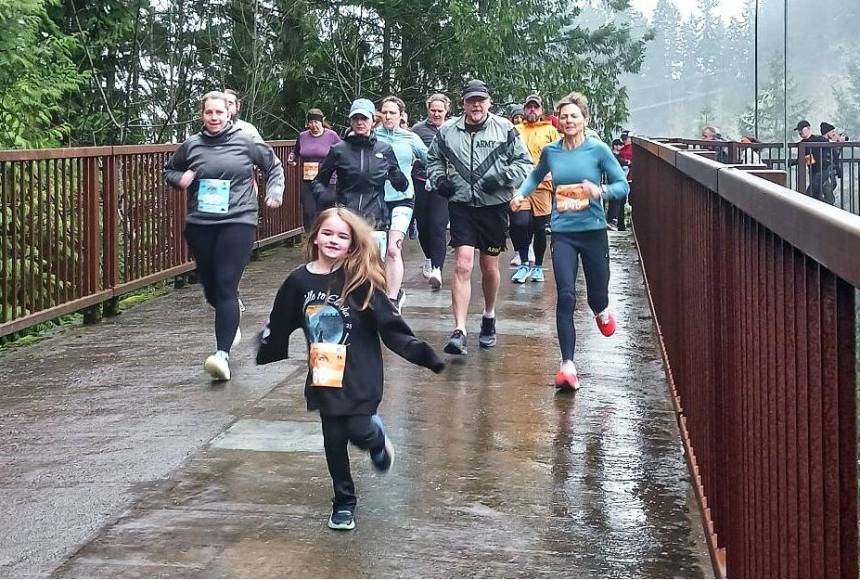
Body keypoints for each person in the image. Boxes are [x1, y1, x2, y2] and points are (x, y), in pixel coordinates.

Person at [256, 207, 444, 531]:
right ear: (314, 236)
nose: (333, 240)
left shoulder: (359, 280)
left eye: (342, 236)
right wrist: (268, 341)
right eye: (327, 233)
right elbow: (282, 318)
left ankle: (376, 439)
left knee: (358, 430)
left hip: (361, 373)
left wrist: (422, 354)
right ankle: (344, 502)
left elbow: (390, 325)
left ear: (352, 244)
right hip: (324, 374)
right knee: (333, 441)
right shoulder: (298, 280)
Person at [510, 91, 629, 391]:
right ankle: (567, 365)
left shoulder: (598, 150)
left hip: (593, 232)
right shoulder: (552, 151)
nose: (569, 120)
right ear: (558, 122)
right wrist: (521, 194)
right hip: (563, 232)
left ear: (585, 120)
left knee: (595, 296)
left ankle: (601, 309)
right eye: (564, 116)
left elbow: (622, 186)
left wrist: (599, 192)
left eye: (574, 116)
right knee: (565, 295)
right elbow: (535, 176)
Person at [164, 90, 285, 381]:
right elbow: (169, 169)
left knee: (227, 284)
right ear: (202, 115)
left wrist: (275, 192)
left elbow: (274, 166)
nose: (215, 118)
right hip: (201, 222)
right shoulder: (191, 145)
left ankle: (222, 355)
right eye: (209, 113)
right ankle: (229, 321)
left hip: (238, 219)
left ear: (229, 113)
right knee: (211, 286)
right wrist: (180, 179)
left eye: (220, 112)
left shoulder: (246, 141)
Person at [426, 79, 533, 355]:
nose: (476, 105)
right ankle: (459, 330)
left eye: (480, 100)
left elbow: (524, 162)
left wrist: (501, 179)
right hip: (461, 205)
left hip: (493, 206)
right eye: (470, 100)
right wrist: (440, 181)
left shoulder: (505, 128)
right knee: (462, 264)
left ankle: (488, 315)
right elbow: (433, 159)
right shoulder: (448, 131)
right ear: (462, 103)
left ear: (488, 102)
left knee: (489, 267)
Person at [311, 98, 409, 262]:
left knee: (373, 270)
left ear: (373, 120)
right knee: (346, 268)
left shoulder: (384, 150)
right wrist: (325, 197)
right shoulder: (339, 150)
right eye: (355, 118)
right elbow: (318, 182)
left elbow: (402, 185)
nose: (359, 122)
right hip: (346, 218)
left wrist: (396, 176)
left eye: (364, 118)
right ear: (350, 121)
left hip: (375, 219)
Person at [375, 96, 429, 310]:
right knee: (375, 252)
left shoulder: (410, 138)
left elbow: (430, 159)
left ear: (401, 116)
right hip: (375, 200)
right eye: (384, 112)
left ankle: (393, 297)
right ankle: (379, 292)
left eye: (392, 113)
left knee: (392, 249)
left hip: (403, 199)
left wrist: (435, 178)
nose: (388, 116)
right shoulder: (372, 136)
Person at [509, 93, 558, 283]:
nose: (532, 110)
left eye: (535, 107)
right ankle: (523, 262)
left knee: (539, 227)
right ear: (524, 109)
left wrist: (553, 171)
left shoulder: (550, 130)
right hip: (520, 185)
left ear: (541, 110)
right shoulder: (515, 129)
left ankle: (537, 266)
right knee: (519, 223)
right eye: (529, 107)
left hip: (543, 186)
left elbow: (558, 152)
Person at [412, 93, 452, 289]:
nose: (436, 114)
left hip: (442, 184)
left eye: (440, 110)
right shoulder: (417, 130)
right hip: (420, 181)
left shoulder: (452, 129)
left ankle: (437, 268)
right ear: (428, 110)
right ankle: (429, 257)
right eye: (433, 110)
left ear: (447, 111)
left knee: (438, 225)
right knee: (424, 225)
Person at [288, 108, 341, 231]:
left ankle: (327, 238)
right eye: (311, 122)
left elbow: (341, 151)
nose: (314, 125)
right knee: (308, 213)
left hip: (328, 180)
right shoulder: (302, 136)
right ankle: (311, 241)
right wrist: (292, 159)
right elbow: (295, 152)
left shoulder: (331, 135)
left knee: (326, 213)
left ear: (322, 121)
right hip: (308, 179)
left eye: (316, 122)